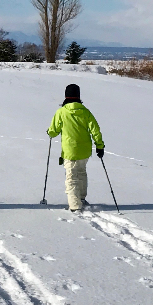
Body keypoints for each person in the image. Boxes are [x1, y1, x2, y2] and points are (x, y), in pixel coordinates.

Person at [47, 83, 104, 212]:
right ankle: (82, 198)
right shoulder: (85, 112)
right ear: (78, 96)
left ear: (66, 96)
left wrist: (49, 132)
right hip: (84, 151)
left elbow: (54, 130)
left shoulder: (61, 112)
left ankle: (75, 205)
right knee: (81, 172)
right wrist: (99, 146)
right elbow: (95, 130)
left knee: (71, 177)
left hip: (70, 151)